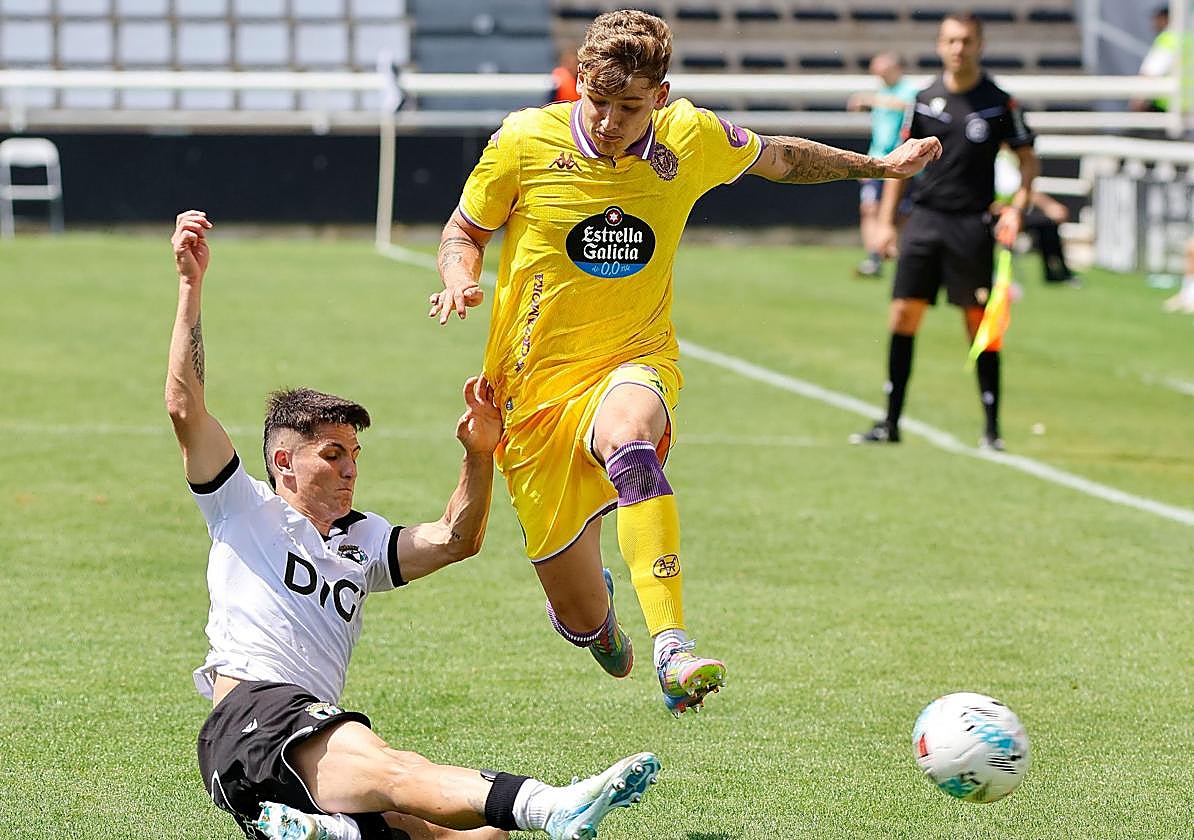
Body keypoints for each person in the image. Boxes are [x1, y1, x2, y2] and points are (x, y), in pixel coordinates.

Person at [427, 10, 940, 717]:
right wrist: (459, 276)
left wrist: (878, 166)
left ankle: (673, 648)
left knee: (629, 440)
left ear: (660, 97)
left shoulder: (688, 137)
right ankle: (597, 618)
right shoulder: (524, 140)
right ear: (579, 84)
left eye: (629, 107)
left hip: (632, 358)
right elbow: (465, 230)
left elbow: (779, 157)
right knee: (582, 618)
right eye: (596, 101)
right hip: (531, 395)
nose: (609, 121)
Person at [165, 210, 661, 840]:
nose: (351, 469)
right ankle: (547, 804)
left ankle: (324, 832)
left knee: (462, 835)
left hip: (294, 752)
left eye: (355, 454)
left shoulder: (363, 539)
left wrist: (479, 453)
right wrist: (191, 286)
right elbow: (184, 407)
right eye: (333, 455)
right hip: (255, 717)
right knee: (400, 771)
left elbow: (458, 538)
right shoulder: (243, 507)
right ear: (284, 462)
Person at [852, 11, 1039, 452]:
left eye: (967, 41)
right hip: (925, 220)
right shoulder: (923, 99)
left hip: (972, 225)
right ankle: (890, 422)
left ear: (980, 45)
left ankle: (991, 430)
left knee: (979, 324)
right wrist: (886, 223)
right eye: (951, 41)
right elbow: (901, 164)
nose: (959, 49)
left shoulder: (998, 102)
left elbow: (1028, 159)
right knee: (903, 315)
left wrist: (1017, 209)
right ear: (940, 45)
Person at [848, 52, 921, 278]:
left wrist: (871, 101)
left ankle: (898, 255)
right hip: (877, 158)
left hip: (900, 161)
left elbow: (909, 107)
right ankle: (873, 258)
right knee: (869, 207)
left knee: (901, 214)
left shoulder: (908, 89)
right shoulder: (881, 91)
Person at [993, 148, 1078, 285]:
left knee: (1048, 223)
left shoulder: (1010, 157)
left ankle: (1056, 271)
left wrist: (1050, 206)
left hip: (1013, 212)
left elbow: (1023, 189)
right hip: (989, 214)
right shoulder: (991, 156)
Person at [1131, 5, 1174, 113]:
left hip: (1166, 108)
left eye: (1157, 19)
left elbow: (1150, 73)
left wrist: (1138, 99)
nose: (1153, 23)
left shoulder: (1168, 39)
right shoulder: (1188, 37)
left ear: (1166, 19)